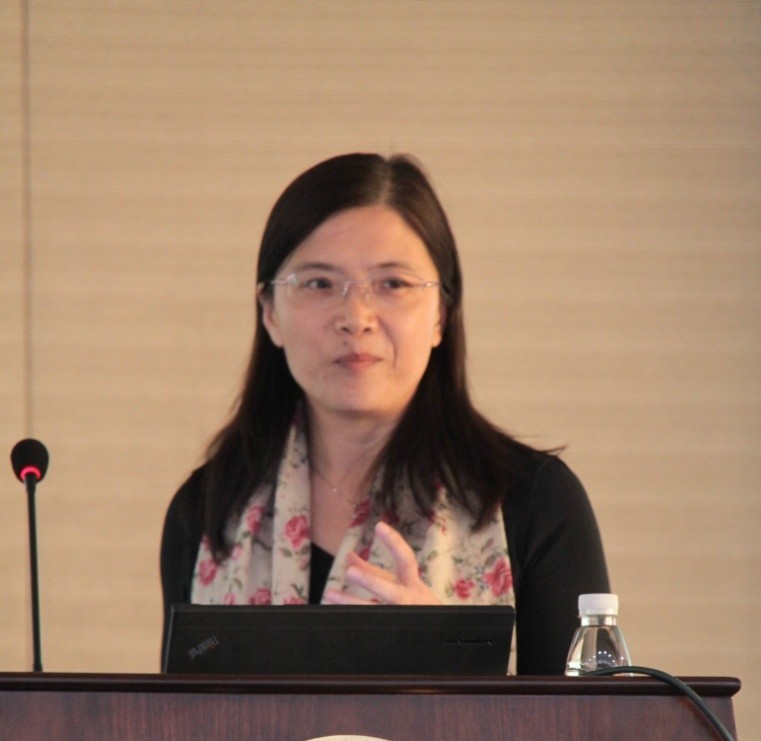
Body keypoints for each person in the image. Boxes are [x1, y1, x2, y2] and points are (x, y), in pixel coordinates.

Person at [160, 152, 609, 673]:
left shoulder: (536, 503)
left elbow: (583, 724)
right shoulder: (207, 510)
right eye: (319, 283)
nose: (356, 318)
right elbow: (176, 722)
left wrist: (451, 662)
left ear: (441, 315)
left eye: (393, 284)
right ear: (270, 314)